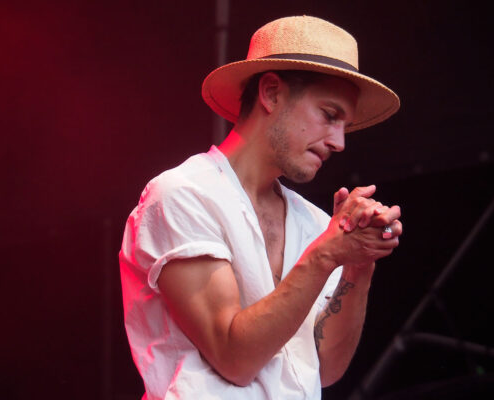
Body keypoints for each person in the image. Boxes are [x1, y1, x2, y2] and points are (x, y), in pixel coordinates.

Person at [119, 15, 402, 399]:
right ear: (270, 93)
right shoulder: (182, 194)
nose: (339, 142)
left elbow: (326, 369)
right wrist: (323, 257)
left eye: (344, 126)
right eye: (329, 115)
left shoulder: (318, 224)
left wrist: (358, 262)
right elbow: (234, 358)